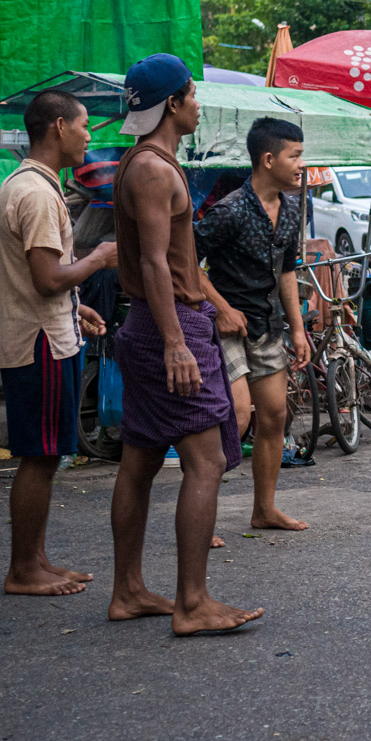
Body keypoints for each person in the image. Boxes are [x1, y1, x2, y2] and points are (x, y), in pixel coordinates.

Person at [106, 53, 262, 636]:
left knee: (142, 458)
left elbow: (174, 260)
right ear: (173, 103)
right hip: (165, 327)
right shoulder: (151, 169)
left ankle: (127, 591)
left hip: (163, 321)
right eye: (192, 94)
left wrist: (213, 307)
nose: (198, 104)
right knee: (206, 461)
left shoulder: (151, 161)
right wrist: (177, 343)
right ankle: (191, 604)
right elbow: (152, 262)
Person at [0, 90, 117, 596]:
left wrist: (75, 303)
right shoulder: (40, 194)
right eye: (85, 125)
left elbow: (20, 274)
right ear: (59, 127)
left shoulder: (28, 184)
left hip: (47, 330)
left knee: (46, 455)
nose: (91, 136)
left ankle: (36, 560)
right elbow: (45, 278)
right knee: (40, 455)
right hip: (39, 342)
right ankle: (23, 570)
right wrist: (99, 259)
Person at [195, 117, 313, 535]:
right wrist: (222, 308)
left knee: (275, 416)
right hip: (226, 328)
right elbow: (186, 263)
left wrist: (297, 329)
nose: (302, 165)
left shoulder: (295, 206)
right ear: (268, 159)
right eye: (295, 156)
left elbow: (286, 269)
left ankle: (264, 509)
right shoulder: (228, 211)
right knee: (237, 415)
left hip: (268, 326)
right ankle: (200, 519)